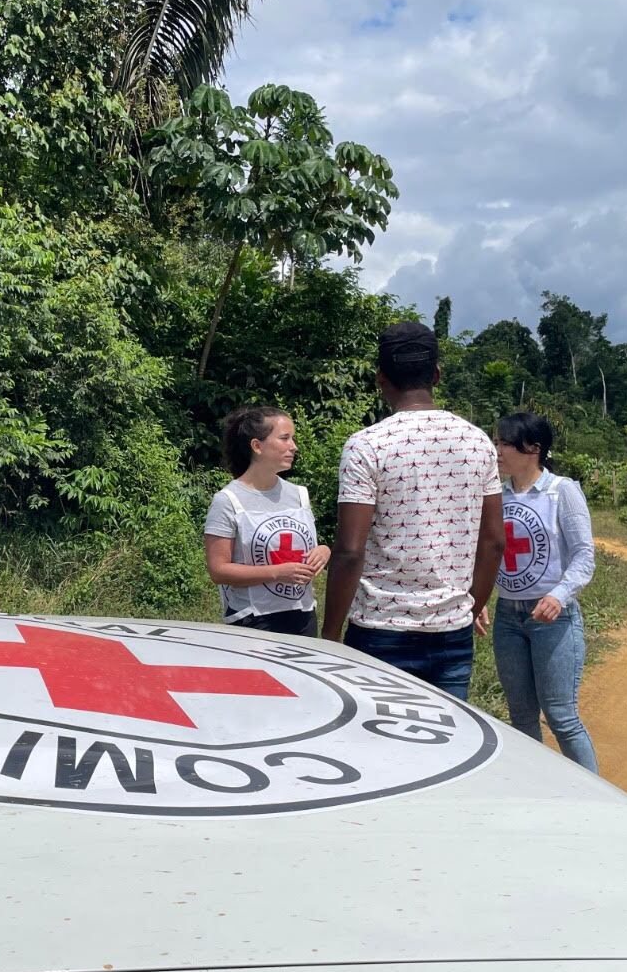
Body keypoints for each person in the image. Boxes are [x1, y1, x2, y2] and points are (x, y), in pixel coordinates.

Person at [320, 320, 504, 701]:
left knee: (376, 736)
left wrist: (330, 634)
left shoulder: (366, 446)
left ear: (380, 378)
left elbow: (350, 551)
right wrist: (468, 610)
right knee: (445, 735)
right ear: (436, 374)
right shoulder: (478, 442)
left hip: (379, 632)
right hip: (452, 634)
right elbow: (493, 542)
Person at [476, 411, 600, 773]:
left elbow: (584, 556)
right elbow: (486, 550)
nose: (497, 451)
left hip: (553, 621)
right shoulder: (496, 495)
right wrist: (479, 596)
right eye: (496, 442)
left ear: (533, 449)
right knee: (521, 717)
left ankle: (594, 795)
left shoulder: (561, 492)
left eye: (505, 443)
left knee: (561, 716)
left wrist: (558, 595)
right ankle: (538, 789)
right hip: (508, 619)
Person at [204, 406, 330, 637]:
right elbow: (218, 571)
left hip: (303, 617)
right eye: (285, 438)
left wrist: (324, 551)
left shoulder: (300, 494)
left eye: (293, 438)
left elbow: (307, 545)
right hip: (253, 622)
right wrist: (277, 572)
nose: (294, 446)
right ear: (257, 446)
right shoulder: (227, 500)